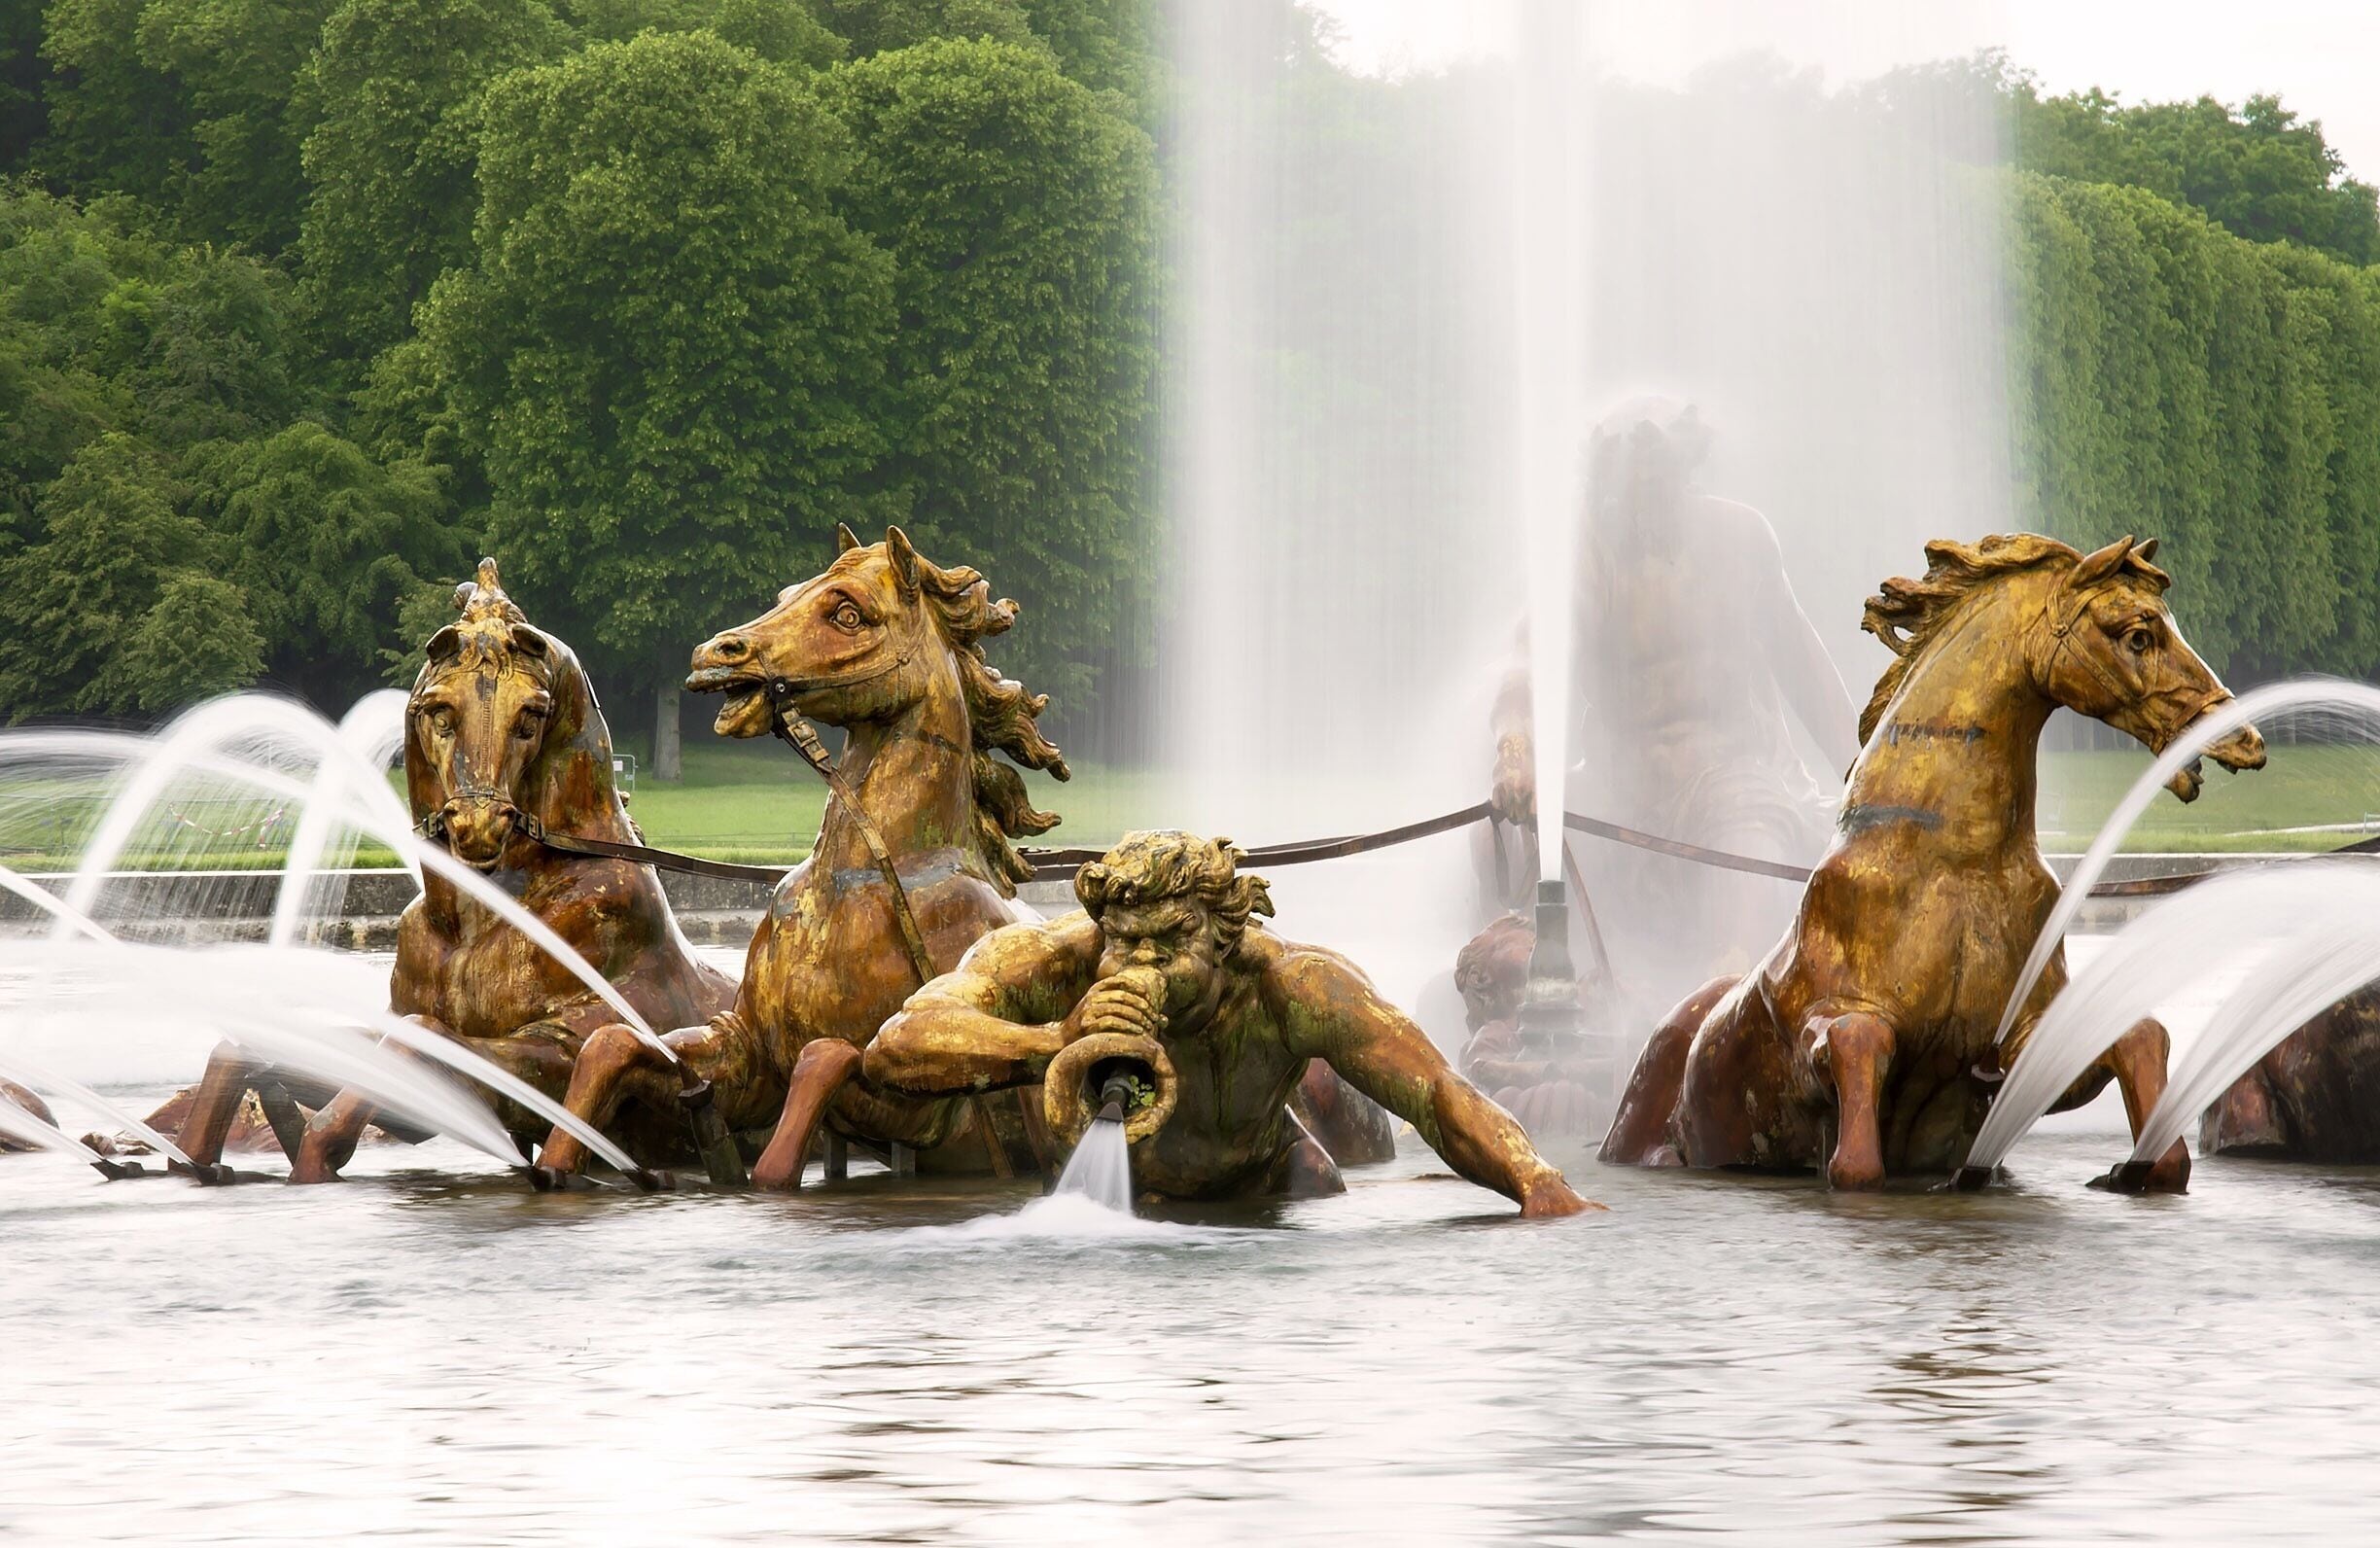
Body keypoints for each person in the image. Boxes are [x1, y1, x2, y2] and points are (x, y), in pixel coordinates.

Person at [863, 830, 1596, 1216]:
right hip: (1095, 1217)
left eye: (1167, 943)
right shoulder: (1058, 957)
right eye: (1124, 940)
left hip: (1257, 1194)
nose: (1139, 962)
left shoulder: (1293, 984)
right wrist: (1052, 1041)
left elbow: (1434, 1090)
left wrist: (1534, 1180)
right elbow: (896, 1045)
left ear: (1223, 932)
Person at [1487, 396, 1859, 995]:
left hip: (1733, 780)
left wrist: (1866, 775)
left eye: (1655, 483)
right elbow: (1525, 664)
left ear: (1684, 473)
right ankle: (1521, 988)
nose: (1640, 506)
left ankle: (1729, 999)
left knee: (1748, 845)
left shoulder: (1741, 542)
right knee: (1500, 837)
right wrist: (1514, 750)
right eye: (1626, 489)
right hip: (1621, 788)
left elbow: (1806, 672)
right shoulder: (1591, 557)